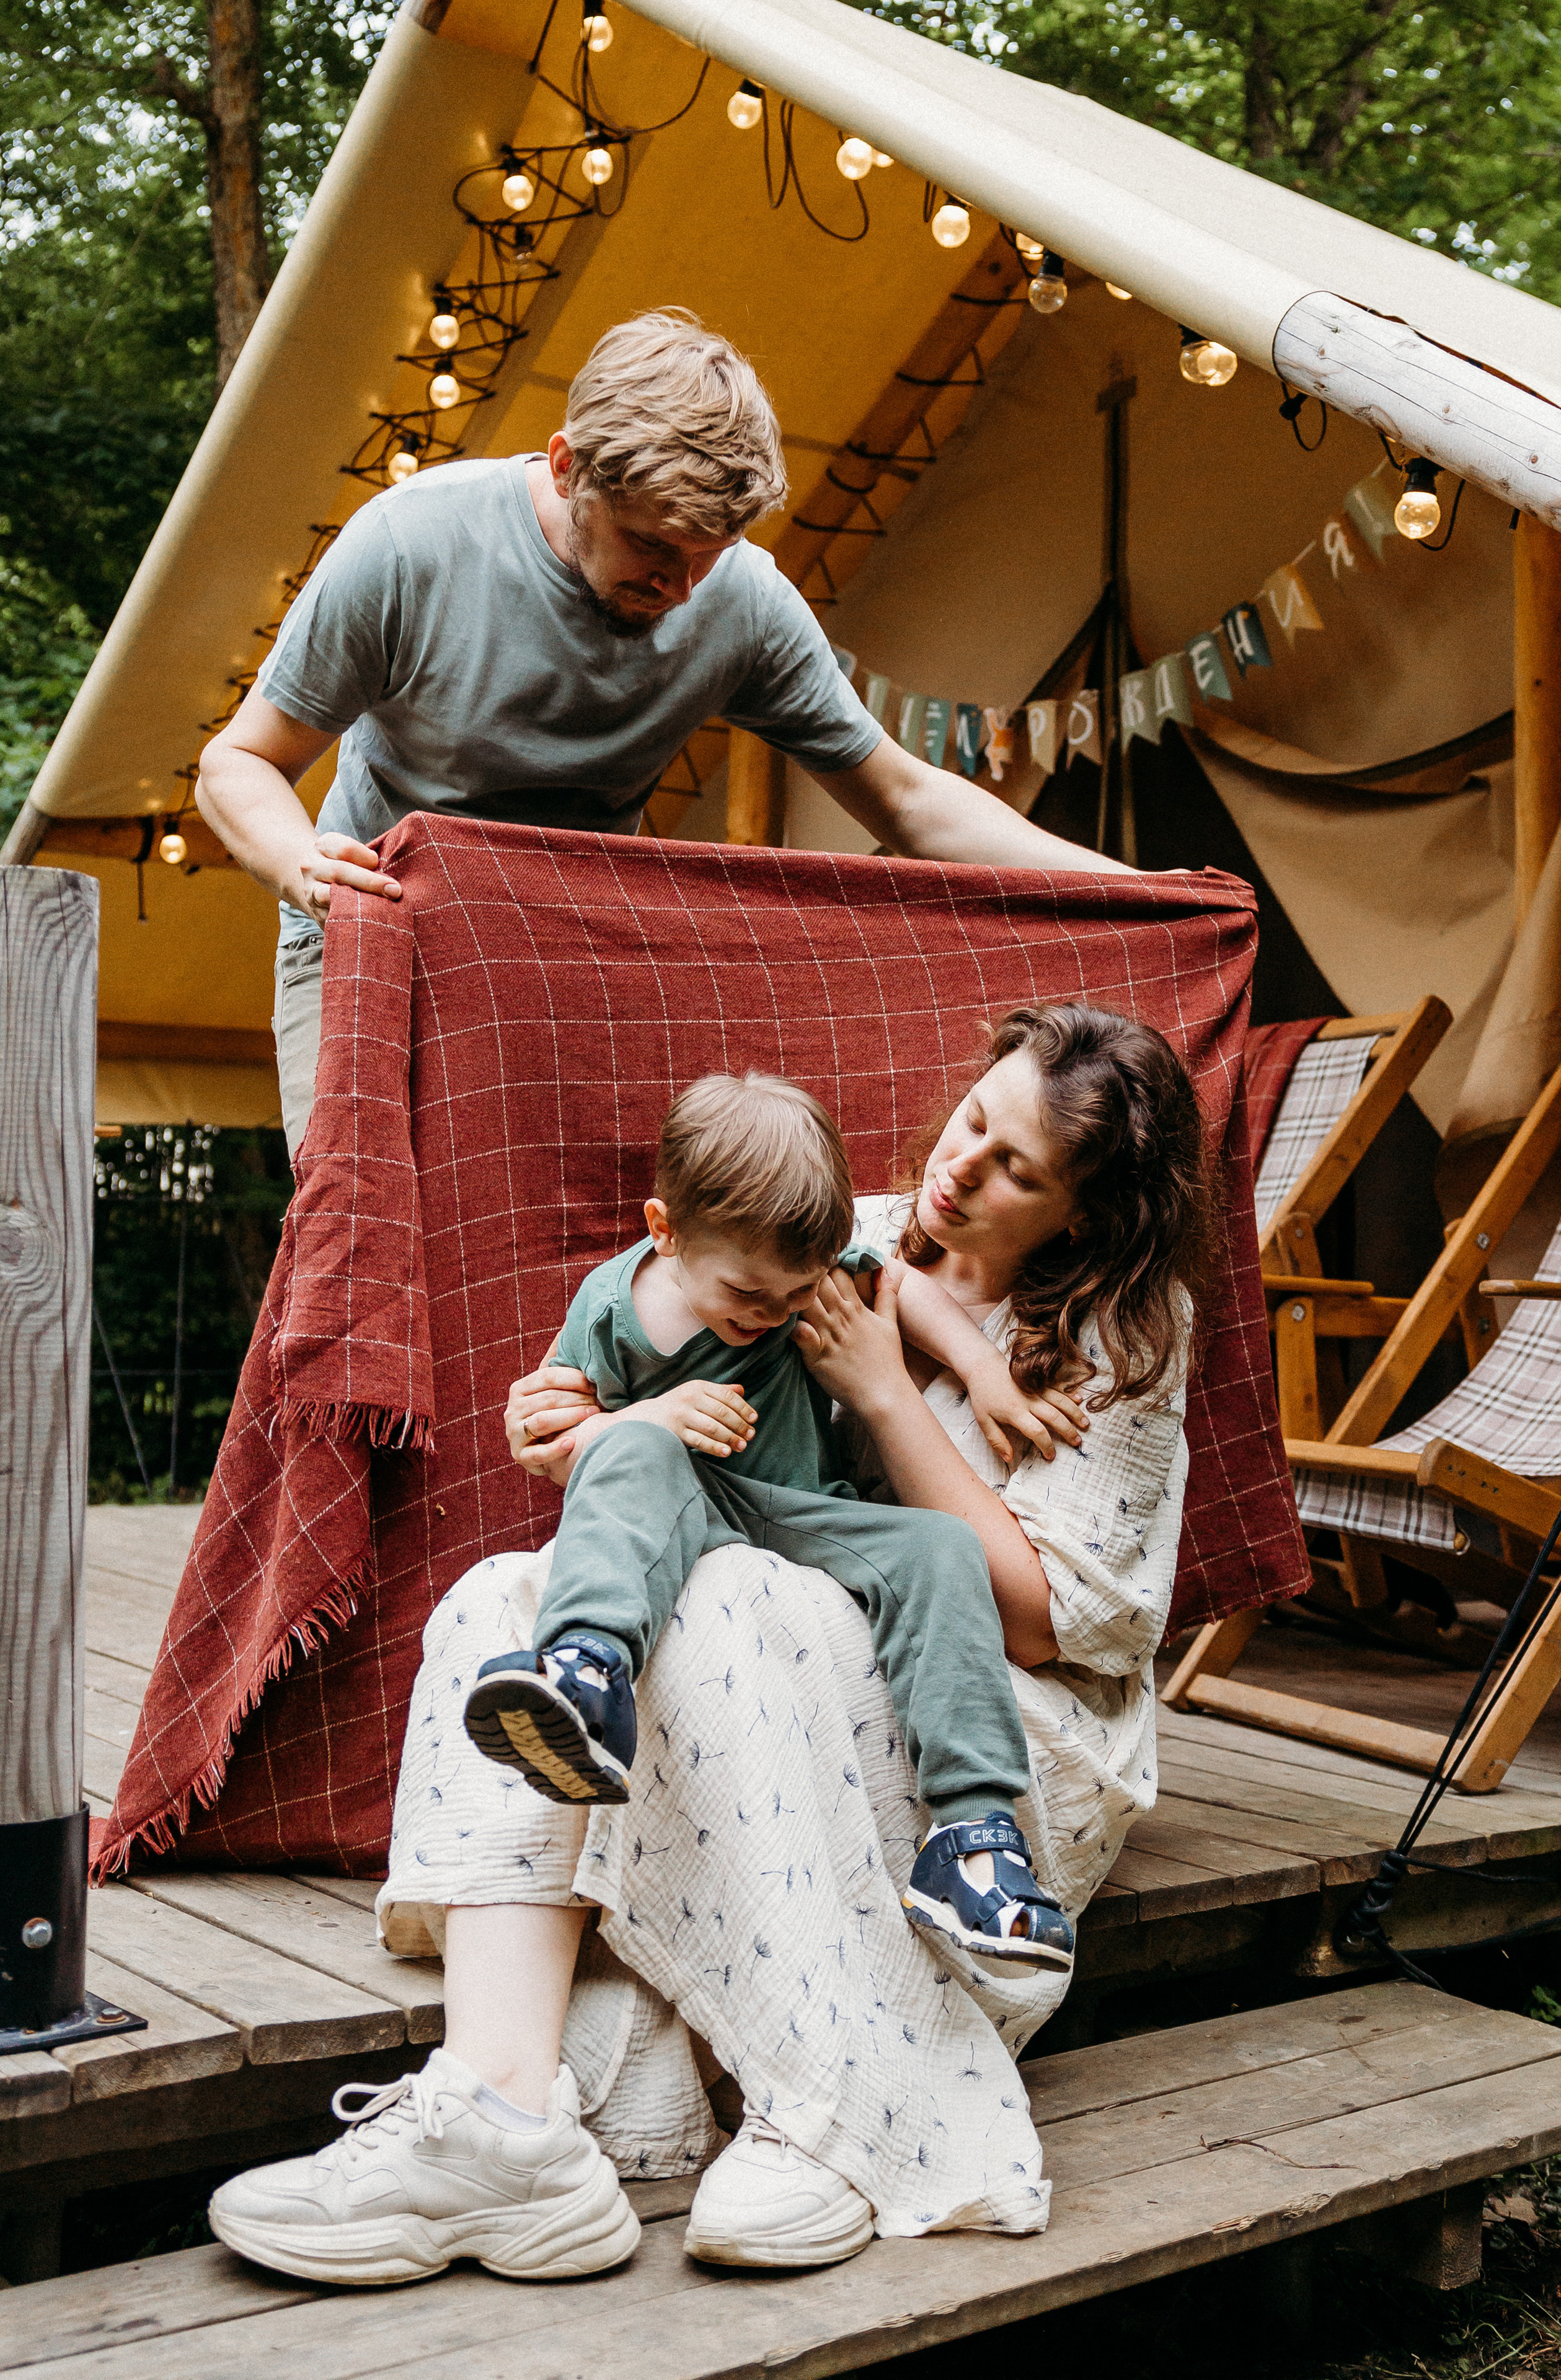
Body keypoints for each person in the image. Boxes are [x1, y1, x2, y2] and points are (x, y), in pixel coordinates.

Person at [209, 1003, 1214, 2287]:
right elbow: (657, 1391)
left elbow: (1040, 1616)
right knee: (498, 1598)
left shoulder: (1123, 1335)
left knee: (739, 1598)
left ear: (1078, 1214)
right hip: (776, 1635)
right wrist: (575, 1433)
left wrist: (880, 1390)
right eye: (972, 1121)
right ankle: (502, 2118)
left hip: (995, 1716)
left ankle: (841, 2107)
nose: (959, 1167)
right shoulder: (840, 1229)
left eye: (1013, 1166)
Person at [192, 309, 1130, 1157]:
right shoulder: (409, 547)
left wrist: (1133, 895)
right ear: (568, 469)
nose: (681, 590)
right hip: (376, 937)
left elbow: (905, 797)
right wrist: (301, 864)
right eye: (653, 549)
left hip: (577, 951)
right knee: (362, 1224)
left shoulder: (744, 600)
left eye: (707, 558)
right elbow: (238, 763)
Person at [462, 1069, 1085, 1970]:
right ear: (664, 1231)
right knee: (628, 1451)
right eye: (750, 1297)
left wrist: (985, 1372)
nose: (773, 1317)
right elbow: (563, 1450)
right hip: (680, 1511)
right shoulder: (610, 1311)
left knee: (945, 1544)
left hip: (802, 1517)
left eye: (793, 1297)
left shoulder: (796, 1278)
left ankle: (976, 1842)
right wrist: (644, 1419)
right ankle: (586, 1673)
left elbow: (898, 1288)